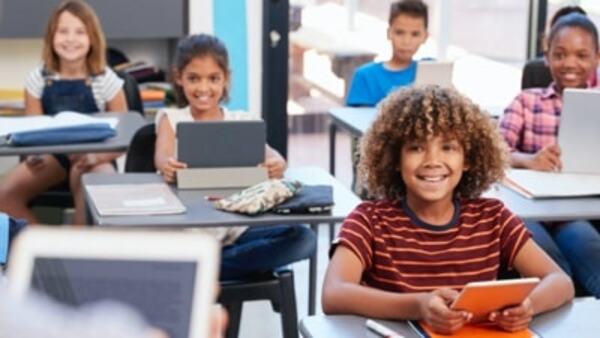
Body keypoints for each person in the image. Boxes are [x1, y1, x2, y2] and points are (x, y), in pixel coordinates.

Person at [321, 85, 573, 335]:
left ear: (469, 159)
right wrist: (418, 305)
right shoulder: (368, 220)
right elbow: (334, 294)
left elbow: (560, 281)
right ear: (395, 159)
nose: (432, 160)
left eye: (448, 147)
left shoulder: (493, 218)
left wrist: (529, 306)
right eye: (416, 147)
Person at [154, 33, 315, 280]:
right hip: (190, 230)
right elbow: (161, 157)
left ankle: (207, 268)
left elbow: (273, 157)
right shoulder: (172, 119)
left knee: (303, 238)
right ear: (179, 78)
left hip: (237, 229)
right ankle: (215, 265)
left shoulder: (242, 121)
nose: (204, 88)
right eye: (194, 79)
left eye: (213, 79)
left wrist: (278, 163)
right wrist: (167, 166)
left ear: (226, 79)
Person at [499, 13, 600, 297]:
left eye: (582, 55)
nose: (570, 63)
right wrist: (526, 160)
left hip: (575, 214)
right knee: (555, 272)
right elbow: (491, 152)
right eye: (560, 54)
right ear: (547, 57)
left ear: (597, 58)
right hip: (530, 214)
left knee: (592, 254)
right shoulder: (527, 101)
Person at [0, 0, 127, 225]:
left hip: (96, 157)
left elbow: (124, 138)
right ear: (51, 37)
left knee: (96, 191)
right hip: (52, 157)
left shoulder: (106, 80)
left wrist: (97, 156)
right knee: (3, 194)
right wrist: (33, 154)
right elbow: (32, 132)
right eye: (63, 31)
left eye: (80, 32)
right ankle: (46, 249)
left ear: (92, 39)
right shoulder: (37, 79)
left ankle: (76, 251)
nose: (70, 39)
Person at [346, 0, 428, 107]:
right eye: (399, 32)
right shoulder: (366, 75)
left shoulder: (430, 69)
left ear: (425, 36)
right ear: (389, 33)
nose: (406, 41)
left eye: (415, 34)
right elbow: (356, 120)